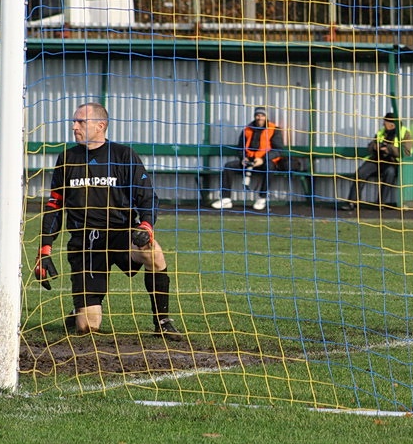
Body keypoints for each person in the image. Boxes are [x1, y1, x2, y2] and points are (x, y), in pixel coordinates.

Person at [33, 102, 182, 340]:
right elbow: (54, 206)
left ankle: (162, 321)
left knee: (152, 251)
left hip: (121, 235)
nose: (74, 127)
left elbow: (148, 197)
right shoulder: (67, 158)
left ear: (100, 126)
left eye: (80, 121)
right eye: (74, 121)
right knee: (87, 327)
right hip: (85, 244)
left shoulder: (123, 155)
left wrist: (145, 225)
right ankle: (79, 309)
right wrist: (44, 249)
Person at [212, 106, 284, 211]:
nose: (260, 118)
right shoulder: (247, 129)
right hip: (249, 161)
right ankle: (226, 199)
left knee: (270, 167)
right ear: (255, 116)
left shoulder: (274, 129)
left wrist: (263, 159)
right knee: (229, 166)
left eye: (262, 115)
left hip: (264, 162)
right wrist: (243, 158)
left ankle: (262, 198)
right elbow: (240, 147)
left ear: (266, 116)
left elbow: (278, 150)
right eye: (258, 115)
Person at [339, 112, 413, 211]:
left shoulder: (405, 133)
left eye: (385, 122)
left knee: (390, 172)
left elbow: (406, 152)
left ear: (392, 124)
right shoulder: (381, 132)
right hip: (377, 159)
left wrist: (388, 149)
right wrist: (375, 147)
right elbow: (371, 145)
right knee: (361, 172)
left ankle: (380, 203)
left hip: (392, 162)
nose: (383, 124)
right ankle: (352, 202)